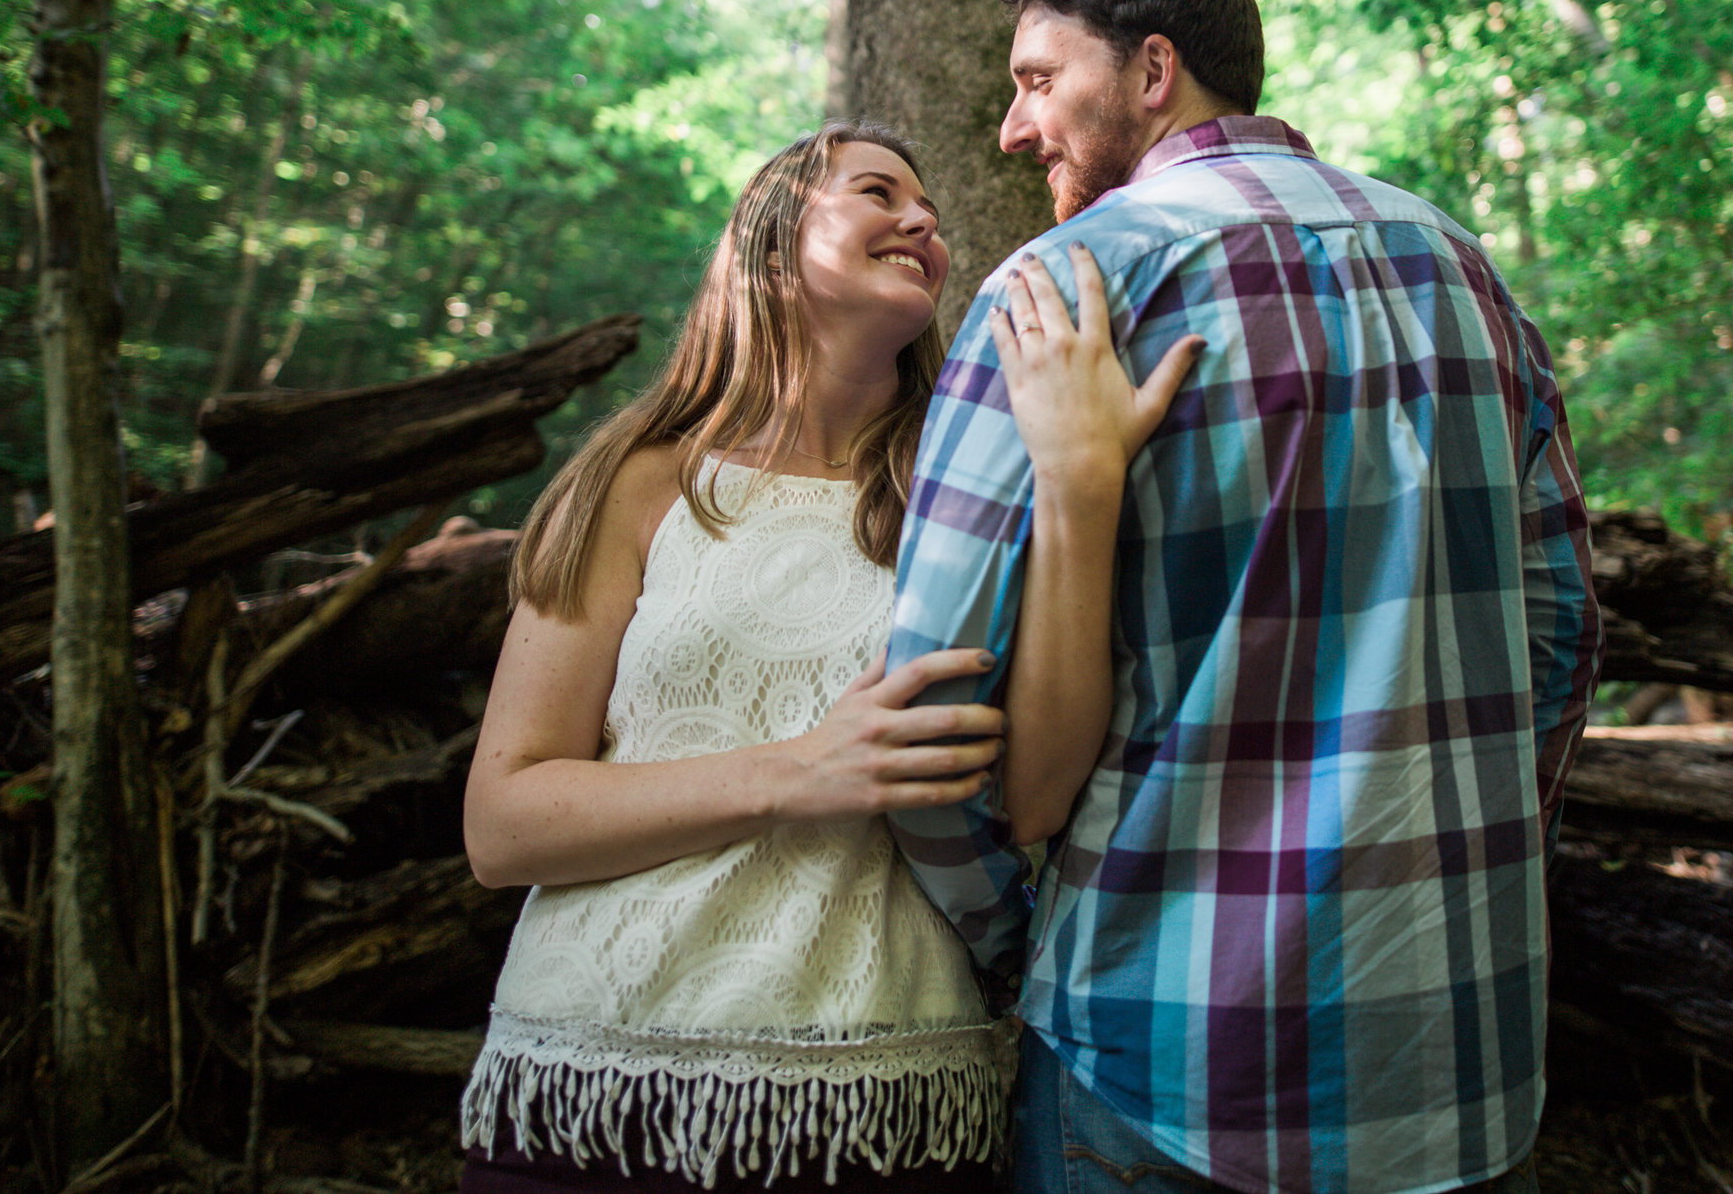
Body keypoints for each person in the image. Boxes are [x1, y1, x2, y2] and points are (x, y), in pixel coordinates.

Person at [884, 0, 1606, 1194]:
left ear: (1151, 73)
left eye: (1039, 81)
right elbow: (1559, 634)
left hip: (1161, 1057)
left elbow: (932, 706)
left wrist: (1023, 947)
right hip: (1458, 1058)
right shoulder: (1463, 267)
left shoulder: (1062, 293)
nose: (1012, 126)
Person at [455, 123, 1197, 1193]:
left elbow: (1033, 796)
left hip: (887, 1109)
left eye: (928, 205)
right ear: (766, 247)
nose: (923, 218)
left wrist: (1079, 487)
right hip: (595, 1097)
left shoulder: (977, 496)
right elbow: (502, 821)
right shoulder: (634, 479)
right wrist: (799, 769)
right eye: (877, 190)